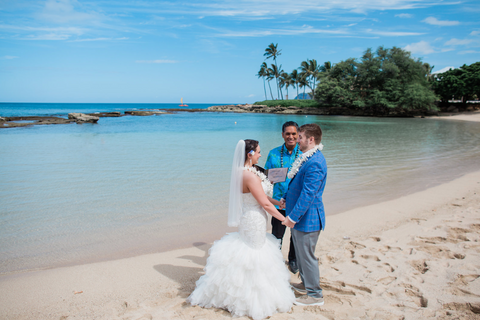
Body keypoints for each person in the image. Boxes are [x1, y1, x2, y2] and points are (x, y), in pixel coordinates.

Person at [188, 139, 295, 320]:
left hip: (250, 217)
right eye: (259, 152)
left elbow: (261, 197)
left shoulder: (243, 172)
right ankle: (252, 298)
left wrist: (278, 202)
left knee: (249, 254)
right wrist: (284, 220)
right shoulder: (250, 176)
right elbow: (264, 204)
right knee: (254, 257)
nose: (261, 155)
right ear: (250, 154)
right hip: (254, 219)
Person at [281, 123, 327, 307]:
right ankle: (306, 284)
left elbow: (308, 194)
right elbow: (296, 184)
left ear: (311, 139)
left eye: (300, 137)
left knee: (307, 256)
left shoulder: (315, 162)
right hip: (300, 217)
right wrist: (285, 198)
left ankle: (315, 295)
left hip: (307, 218)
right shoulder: (308, 157)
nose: (297, 140)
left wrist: (292, 218)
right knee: (300, 255)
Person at [264, 121, 302, 274]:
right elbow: (265, 175)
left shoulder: (304, 153)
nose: (291, 137)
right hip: (279, 202)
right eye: (288, 134)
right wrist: (268, 179)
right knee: (277, 235)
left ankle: (293, 259)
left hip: (298, 202)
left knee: (296, 234)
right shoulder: (273, 153)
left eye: (294, 134)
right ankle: (274, 259)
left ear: (298, 135)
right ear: (282, 135)